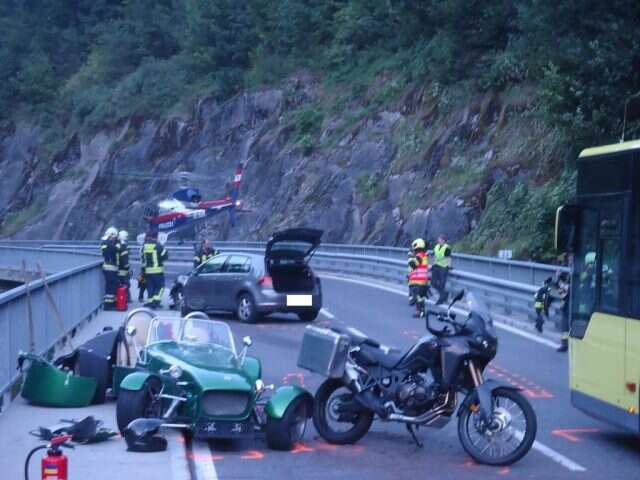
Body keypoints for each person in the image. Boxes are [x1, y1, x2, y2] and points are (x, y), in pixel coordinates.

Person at [141, 230, 169, 309]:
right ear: (156, 237)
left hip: (147, 271)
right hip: (157, 271)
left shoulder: (144, 246)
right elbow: (165, 256)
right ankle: (156, 302)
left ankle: (150, 302)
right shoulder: (159, 246)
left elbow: (142, 259)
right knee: (161, 287)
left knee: (150, 287)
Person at [407, 238, 429, 318]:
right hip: (421, 281)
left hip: (419, 281)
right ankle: (422, 312)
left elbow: (413, 265)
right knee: (420, 297)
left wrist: (409, 257)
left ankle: (419, 312)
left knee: (418, 297)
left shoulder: (420, 255)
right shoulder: (423, 255)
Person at [100, 227, 120, 310]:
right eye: (115, 237)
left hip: (111, 268)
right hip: (110, 268)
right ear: (111, 235)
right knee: (110, 287)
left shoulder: (106, 243)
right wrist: (117, 244)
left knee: (112, 286)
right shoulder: (107, 243)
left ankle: (111, 303)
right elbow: (115, 249)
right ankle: (108, 305)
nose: (116, 238)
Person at [432, 234, 452, 305]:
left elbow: (449, 257)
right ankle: (444, 294)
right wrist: (433, 264)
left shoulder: (447, 247)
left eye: (439, 239)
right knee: (433, 283)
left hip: (443, 267)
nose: (438, 240)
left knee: (442, 284)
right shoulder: (436, 247)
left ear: (443, 240)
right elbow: (434, 256)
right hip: (436, 266)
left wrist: (449, 266)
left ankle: (441, 299)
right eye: (438, 239)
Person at [117, 230, 131, 301]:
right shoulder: (123, 246)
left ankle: (125, 298)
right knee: (125, 284)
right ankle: (126, 298)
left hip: (117, 268)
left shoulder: (117, 244)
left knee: (121, 284)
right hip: (123, 269)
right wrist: (127, 267)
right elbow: (125, 258)